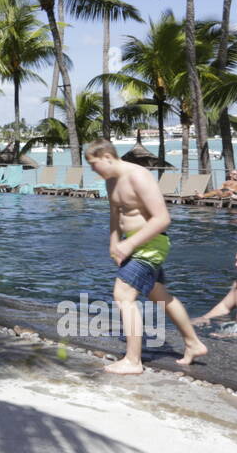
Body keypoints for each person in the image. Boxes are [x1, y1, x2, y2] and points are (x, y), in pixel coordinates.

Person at [85, 139, 207, 374]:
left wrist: (130, 243)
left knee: (122, 295)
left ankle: (133, 361)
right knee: (160, 295)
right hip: (132, 245)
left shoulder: (138, 176)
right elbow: (115, 214)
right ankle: (193, 343)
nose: (92, 169)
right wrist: (114, 243)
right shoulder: (111, 182)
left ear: (108, 157)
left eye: (94, 164)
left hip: (150, 244)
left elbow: (162, 218)